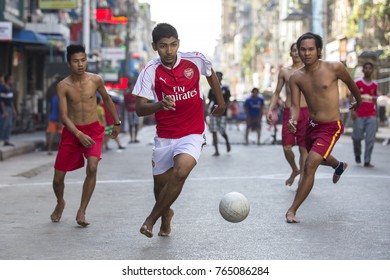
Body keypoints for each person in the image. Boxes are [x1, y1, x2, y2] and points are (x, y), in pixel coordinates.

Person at [133, 23, 225, 238]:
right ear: (155, 46)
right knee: (160, 188)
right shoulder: (150, 70)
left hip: (192, 132)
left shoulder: (195, 60)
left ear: (179, 43)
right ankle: (166, 214)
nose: (169, 51)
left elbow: (210, 74)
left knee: (181, 171)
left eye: (173, 45)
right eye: (163, 46)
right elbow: (139, 109)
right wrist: (159, 104)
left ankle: (150, 220)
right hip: (165, 136)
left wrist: (221, 103)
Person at [285, 32, 362, 223]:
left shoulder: (335, 67)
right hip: (311, 126)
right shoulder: (296, 77)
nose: (307, 53)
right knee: (317, 158)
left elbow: (352, 86)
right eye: (303, 49)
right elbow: (295, 105)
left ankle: (292, 211)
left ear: (319, 50)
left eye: (311, 49)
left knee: (310, 164)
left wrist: (357, 101)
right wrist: (293, 120)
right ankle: (338, 165)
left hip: (330, 126)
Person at [50, 44, 121, 227]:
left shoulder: (95, 80)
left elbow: (106, 99)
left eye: (83, 60)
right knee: (58, 179)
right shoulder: (63, 86)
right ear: (69, 63)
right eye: (75, 61)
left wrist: (116, 122)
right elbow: (64, 116)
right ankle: (60, 202)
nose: (80, 64)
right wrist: (77, 133)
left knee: (92, 167)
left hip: (93, 130)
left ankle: (82, 210)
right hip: (72, 132)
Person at [267, 43, 309, 186]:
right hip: (289, 112)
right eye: (294, 50)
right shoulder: (284, 71)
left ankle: (302, 180)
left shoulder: (309, 70)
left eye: (299, 50)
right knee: (287, 147)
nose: (297, 53)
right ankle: (295, 169)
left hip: (306, 112)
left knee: (304, 148)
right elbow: (277, 93)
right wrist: (270, 110)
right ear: (290, 53)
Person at [351, 62, 378, 167]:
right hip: (359, 114)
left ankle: (367, 160)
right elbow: (352, 97)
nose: (367, 70)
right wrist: (353, 111)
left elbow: (374, 100)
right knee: (357, 138)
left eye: (369, 68)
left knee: (370, 139)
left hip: (371, 115)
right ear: (363, 70)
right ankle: (357, 154)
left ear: (372, 70)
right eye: (365, 68)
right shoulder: (357, 83)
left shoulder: (375, 84)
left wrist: (375, 113)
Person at [207, 71, 231, 156]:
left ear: (221, 78)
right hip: (213, 113)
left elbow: (228, 101)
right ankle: (216, 150)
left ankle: (227, 141)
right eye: (215, 76)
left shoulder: (225, 88)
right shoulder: (211, 89)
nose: (217, 78)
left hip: (222, 114)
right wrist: (207, 111)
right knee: (214, 131)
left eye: (218, 76)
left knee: (222, 131)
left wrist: (225, 109)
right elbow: (209, 101)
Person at [0, 74, 17, 146]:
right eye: (11, 79)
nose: (12, 81)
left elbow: (11, 101)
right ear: (8, 80)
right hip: (5, 108)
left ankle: (7, 140)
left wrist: (13, 110)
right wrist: (4, 112)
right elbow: (1, 101)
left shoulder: (10, 89)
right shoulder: (3, 88)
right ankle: (2, 139)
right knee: (4, 125)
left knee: (9, 125)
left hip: (9, 107)